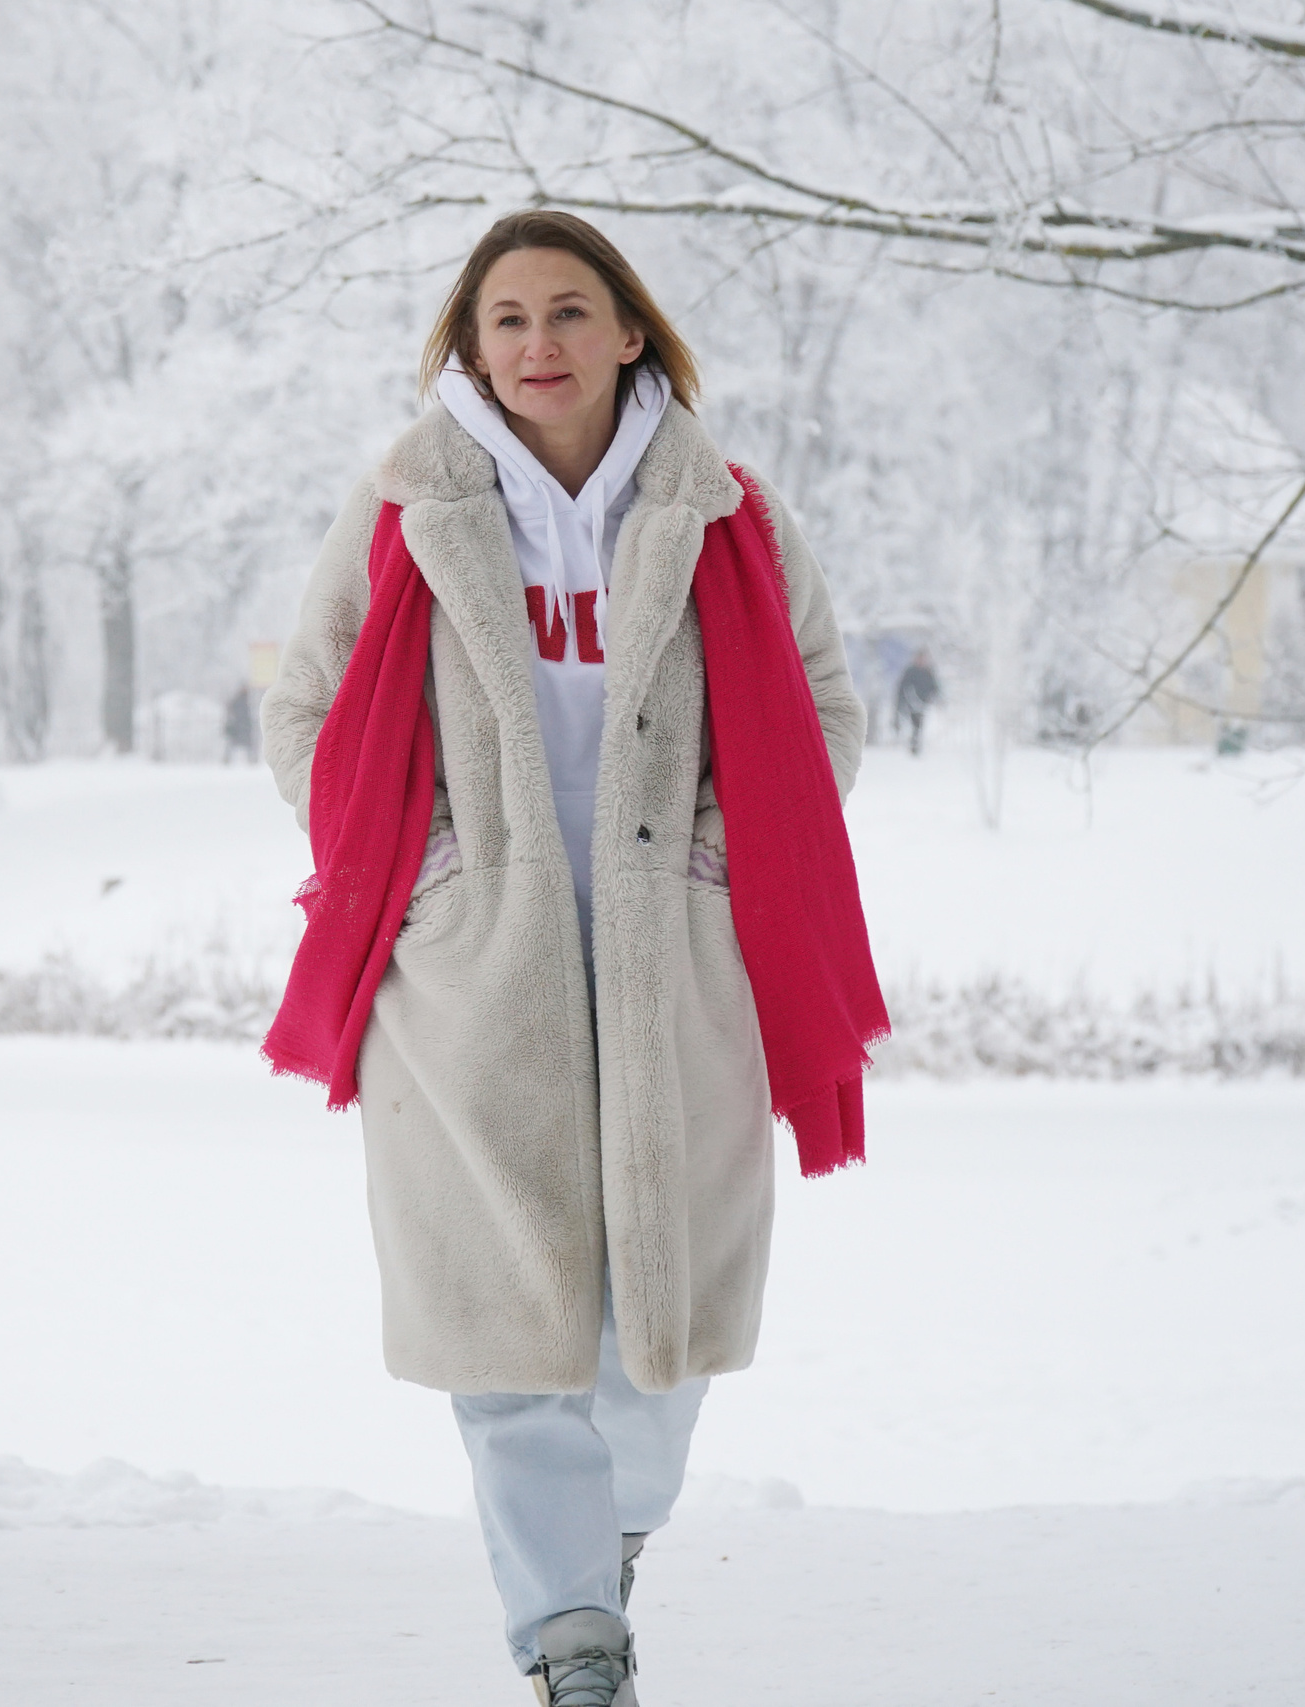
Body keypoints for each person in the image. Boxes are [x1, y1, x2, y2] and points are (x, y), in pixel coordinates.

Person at [260, 211, 879, 1706]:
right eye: (507, 320)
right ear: (472, 347)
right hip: (476, 977)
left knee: (654, 1333)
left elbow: (824, 712)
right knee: (509, 1309)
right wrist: (439, 887)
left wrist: (718, 875)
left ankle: (602, 1538)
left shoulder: (727, 507)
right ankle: (570, 1637)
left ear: (626, 331)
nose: (538, 344)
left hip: (686, 962)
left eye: (568, 312)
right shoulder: (405, 508)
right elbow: (310, 721)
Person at [894, 647, 940, 756]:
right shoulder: (910, 671)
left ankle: (916, 743)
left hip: (924, 703)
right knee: (914, 723)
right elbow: (903, 687)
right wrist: (902, 701)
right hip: (911, 703)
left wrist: (933, 697)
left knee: (919, 725)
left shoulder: (928, 671)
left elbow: (934, 687)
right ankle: (913, 743)